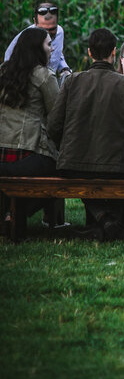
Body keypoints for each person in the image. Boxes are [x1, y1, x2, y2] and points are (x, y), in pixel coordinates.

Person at [47, 27, 124, 240]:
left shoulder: (72, 81)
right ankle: (110, 221)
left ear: (89, 53)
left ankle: (101, 219)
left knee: (83, 173)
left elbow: (53, 127)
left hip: (74, 163)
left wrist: (68, 149)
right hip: (118, 165)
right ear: (114, 53)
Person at [0, 27, 59, 230]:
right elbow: (57, 117)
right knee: (59, 169)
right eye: (48, 44)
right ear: (37, 48)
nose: (51, 49)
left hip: (2, 155)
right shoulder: (44, 76)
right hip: (30, 154)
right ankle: (18, 214)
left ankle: (9, 214)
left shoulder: (3, 72)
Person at [5, 0, 71, 80]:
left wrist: (64, 69)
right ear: (35, 22)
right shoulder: (25, 38)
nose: (48, 34)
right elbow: (9, 64)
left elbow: (57, 52)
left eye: (52, 29)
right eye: (43, 29)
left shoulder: (59, 33)